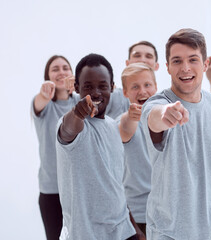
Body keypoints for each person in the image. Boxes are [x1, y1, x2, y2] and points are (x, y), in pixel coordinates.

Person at [140, 28, 211, 240]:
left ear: (205, 64)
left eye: (193, 60)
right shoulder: (158, 104)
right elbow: (154, 118)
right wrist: (166, 114)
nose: (185, 68)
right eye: (177, 61)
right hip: (169, 233)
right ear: (167, 67)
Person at [56, 53, 136, 239]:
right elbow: (68, 130)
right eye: (88, 86)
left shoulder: (112, 126)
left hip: (123, 231)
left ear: (112, 87)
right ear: (76, 88)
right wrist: (78, 112)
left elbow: (116, 185)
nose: (96, 92)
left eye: (102, 86)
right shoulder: (70, 123)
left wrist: (135, 229)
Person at [32, 55, 76, 240]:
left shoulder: (81, 102)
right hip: (51, 190)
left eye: (65, 68)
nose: (61, 72)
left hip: (77, 188)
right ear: (47, 76)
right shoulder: (44, 105)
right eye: (55, 69)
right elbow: (39, 102)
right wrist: (44, 95)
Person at [118, 62, 158, 239]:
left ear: (156, 87)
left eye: (147, 85)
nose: (142, 91)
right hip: (138, 214)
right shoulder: (124, 122)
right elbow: (125, 128)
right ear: (125, 92)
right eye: (135, 87)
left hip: (167, 211)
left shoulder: (165, 117)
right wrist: (131, 116)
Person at [106, 41, 159, 119]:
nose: (142, 60)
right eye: (137, 55)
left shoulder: (164, 104)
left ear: (156, 66)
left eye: (149, 56)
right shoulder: (113, 96)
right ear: (127, 63)